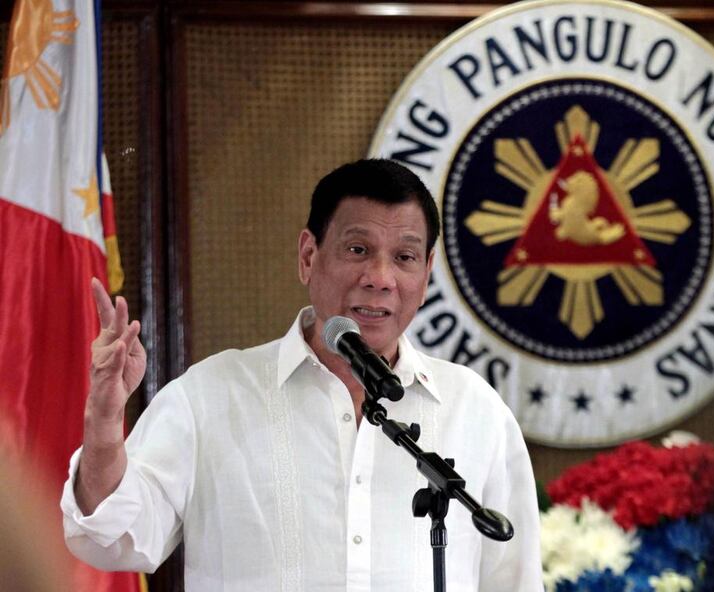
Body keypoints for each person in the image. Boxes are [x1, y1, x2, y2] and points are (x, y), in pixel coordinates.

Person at [61, 159, 543, 591]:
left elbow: (515, 582)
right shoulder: (209, 396)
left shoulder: (476, 411)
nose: (380, 277)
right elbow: (110, 539)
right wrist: (104, 423)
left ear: (427, 271)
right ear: (308, 256)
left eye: (404, 257)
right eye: (358, 249)